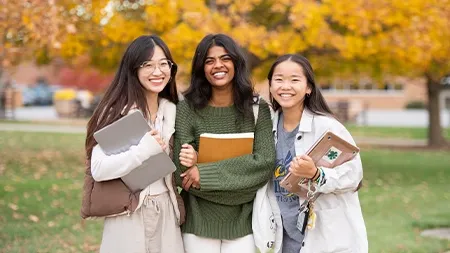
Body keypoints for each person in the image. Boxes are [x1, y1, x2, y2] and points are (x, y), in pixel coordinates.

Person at [81, 35, 185, 253]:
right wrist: (144, 149)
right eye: (148, 65)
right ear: (133, 69)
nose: (158, 72)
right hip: (128, 215)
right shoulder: (117, 112)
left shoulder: (175, 110)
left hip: (167, 210)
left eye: (163, 63)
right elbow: (98, 169)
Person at [173, 33, 276, 253]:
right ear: (201, 68)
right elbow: (181, 174)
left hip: (244, 221)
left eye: (225, 58)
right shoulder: (186, 109)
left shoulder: (258, 110)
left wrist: (204, 173)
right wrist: (238, 179)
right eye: (209, 61)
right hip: (198, 221)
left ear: (236, 63)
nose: (217, 65)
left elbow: (264, 164)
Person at [266, 54, 367, 253]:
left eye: (294, 80)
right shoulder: (267, 127)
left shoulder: (327, 127)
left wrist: (316, 174)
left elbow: (354, 175)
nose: (285, 86)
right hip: (285, 238)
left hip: (326, 238)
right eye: (279, 79)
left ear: (309, 88)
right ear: (270, 86)